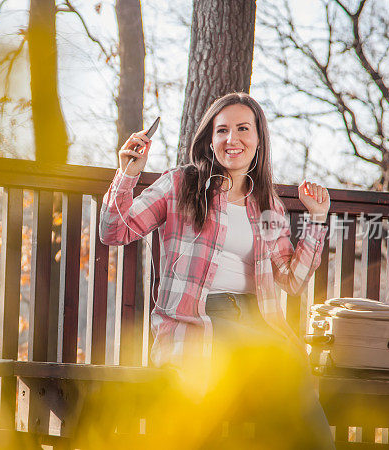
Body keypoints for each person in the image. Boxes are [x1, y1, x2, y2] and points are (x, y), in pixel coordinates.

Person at [98, 92, 335, 448]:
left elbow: (292, 280)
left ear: (258, 139)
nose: (231, 139)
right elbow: (114, 231)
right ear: (210, 139)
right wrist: (128, 174)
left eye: (243, 129)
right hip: (201, 320)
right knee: (271, 364)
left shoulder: (267, 203)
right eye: (221, 130)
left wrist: (317, 218)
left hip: (257, 322)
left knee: (288, 368)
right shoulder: (181, 184)